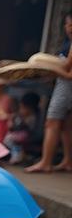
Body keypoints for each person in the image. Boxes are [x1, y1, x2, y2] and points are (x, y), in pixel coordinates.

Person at [27, 13, 72, 173]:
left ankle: (46, 162)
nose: (68, 28)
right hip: (64, 85)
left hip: (66, 87)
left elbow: (68, 71)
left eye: (71, 25)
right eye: (67, 25)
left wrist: (51, 68)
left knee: (52, 122)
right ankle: (68, 161)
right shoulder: (68, 43)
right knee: (66, 125)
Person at [5, 92, 42, 165]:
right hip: (21, 134)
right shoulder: (21, 115)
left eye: (23, 107)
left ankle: (17, 154)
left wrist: (22, 121)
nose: (21, 110)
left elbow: (29, 129)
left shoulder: (33, 117)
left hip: (27, 135)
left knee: (9, 139)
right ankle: (18, 153)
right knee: (8, 137)